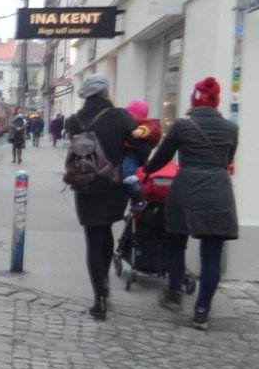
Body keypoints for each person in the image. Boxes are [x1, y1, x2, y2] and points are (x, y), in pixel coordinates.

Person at [143, 77, 238, 330]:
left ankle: (174, 292)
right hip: (218, 191)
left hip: (185, 190)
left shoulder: (182, 126)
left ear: (194, 100)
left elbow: (162, 157)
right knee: (212, 255)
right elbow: (229, 159)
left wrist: (146, 170)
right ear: (216, 101)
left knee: (176, 243)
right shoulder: (231, 128)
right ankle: (202, 311)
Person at [64, 75, 136, 320]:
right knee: (105, 230)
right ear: (106, 93)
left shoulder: (73, 121)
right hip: (113, 185)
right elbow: (140, 146)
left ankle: (99, 298)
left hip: (85, 185)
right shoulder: (120, 116)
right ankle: (104, 283)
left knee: (93, 238)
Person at [122, 100, 162, 211]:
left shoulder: (147, 124)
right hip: (128, 153)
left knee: (127, 174)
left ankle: (138, 198)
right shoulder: (128, 123)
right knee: (127, 174)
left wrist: (142, 130)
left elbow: (152, 129)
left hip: (132, 153)